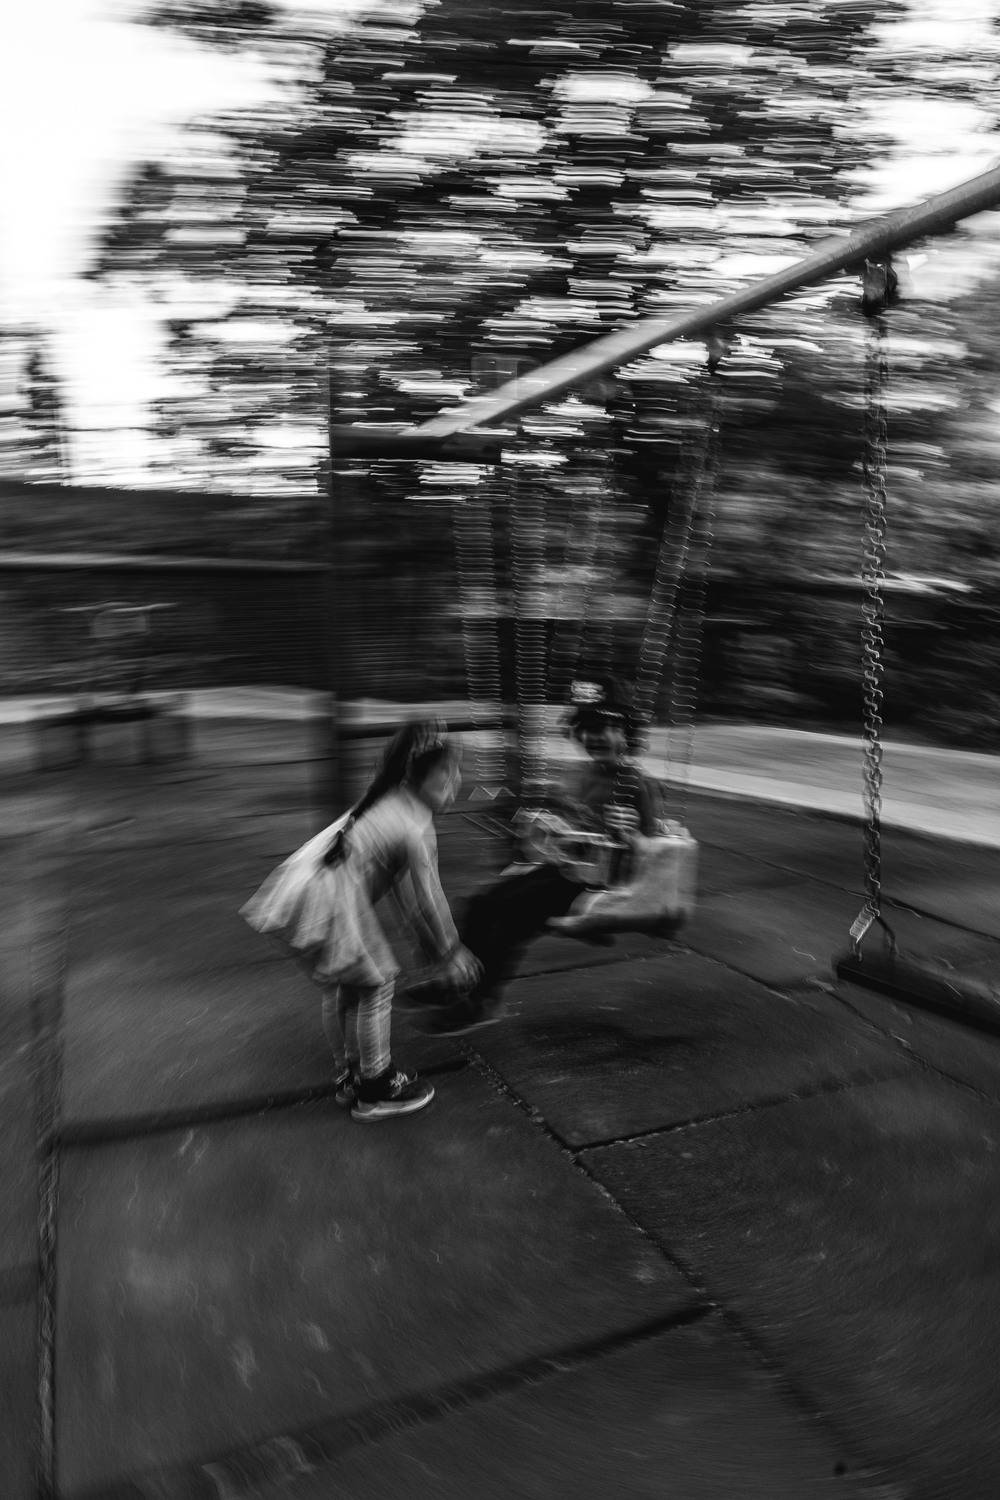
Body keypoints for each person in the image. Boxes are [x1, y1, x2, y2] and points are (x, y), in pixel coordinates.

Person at [240, 719, 480, 1120]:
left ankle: (350, 1076)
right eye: (448, 773)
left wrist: (429, 946)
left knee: (345, 988)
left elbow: (407, 900)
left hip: (303, 893)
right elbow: (429, 899)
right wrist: (452, 950)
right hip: (332, 901)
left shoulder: (386, 802)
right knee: (377, 984)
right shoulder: (415, 823)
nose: (457, 783)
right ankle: (376, 1088)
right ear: (418, 775)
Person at [411, 675, 662, 1035]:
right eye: (587, 728)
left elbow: (656, 855)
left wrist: (633, 833)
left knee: (509, 919)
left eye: (605, 728)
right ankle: (457, 979)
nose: (594, 737)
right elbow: (571, 825)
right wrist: (548, 814)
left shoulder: (638, 784)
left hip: (602, 886)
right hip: (568, 871)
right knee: (481, 905)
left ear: (627, 733)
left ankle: (482, 1001)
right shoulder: (583, 775)